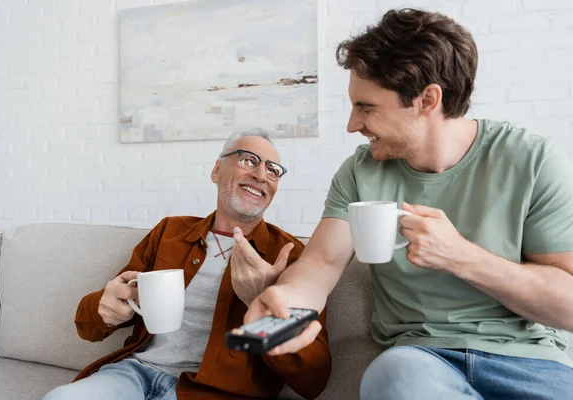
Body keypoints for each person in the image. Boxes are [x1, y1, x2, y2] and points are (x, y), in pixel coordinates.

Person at [232, 8, 573, 400]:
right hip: (421, 363)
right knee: (393, 374)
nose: (352, 124)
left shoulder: (532, 161)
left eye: (367, 107)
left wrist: (460, 256)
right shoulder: (359, 173)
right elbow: (321, 265)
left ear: (427, 100)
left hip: (531, 363)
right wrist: (288, 301)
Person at [43, 129, 331, 400]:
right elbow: (88, 327)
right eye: (249, 160)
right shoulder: (169, 232)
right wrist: (103, 309)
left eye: (272, 170)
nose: (260, 175)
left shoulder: (291, 255)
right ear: (216, 170)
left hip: (214, 392)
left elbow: (312, 382)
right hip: (133, 372)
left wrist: (267, 308)